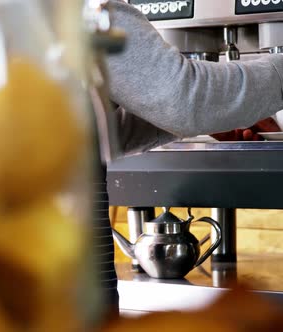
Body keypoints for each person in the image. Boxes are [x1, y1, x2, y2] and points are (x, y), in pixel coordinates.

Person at [94, 0, 283, 318]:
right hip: (64, 271)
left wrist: (212, 116)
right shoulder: (83, 9)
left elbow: (93, 134)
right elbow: (183, 96)